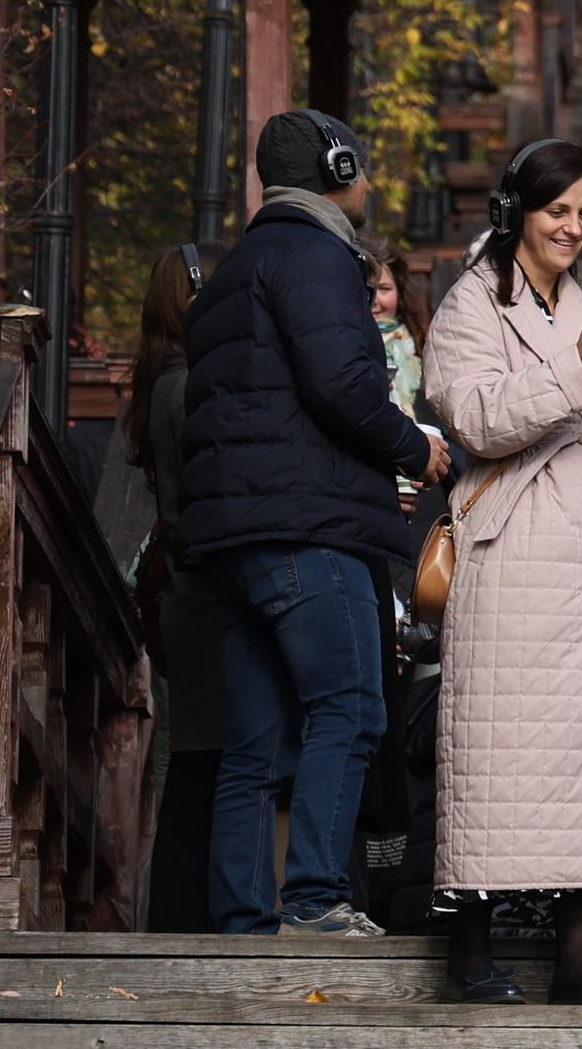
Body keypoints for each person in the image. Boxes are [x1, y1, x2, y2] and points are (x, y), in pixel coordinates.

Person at [177, 109, 454, 937]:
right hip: (312, 526)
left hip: (238, 535)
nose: (367, 184)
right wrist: (417, 449)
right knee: (353, 708)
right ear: (339, 169)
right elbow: (340, 384)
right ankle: (316, 901)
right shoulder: (319, 256)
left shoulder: (235, 269)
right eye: (361, 169)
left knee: (256, 742)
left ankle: (240, 916)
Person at [420, 139, 582, 1006]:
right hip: (517, 555)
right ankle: (468, 949)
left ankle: (578, 956)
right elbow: (477, 418)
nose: (572, 228)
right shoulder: (467, 306)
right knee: (499, 751)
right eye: (556, 211)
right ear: (515, 213)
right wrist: (579, 368)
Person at [123, 238, 231, 933]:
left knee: (197, 762)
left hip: (189, 601)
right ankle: (184, 922)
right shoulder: (189, 385)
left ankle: (180, 918)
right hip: (206, 599)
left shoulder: (161, 380)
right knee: (202, 766)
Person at [363, 235, 429, 421]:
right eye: (365, 289)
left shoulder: (422, 343)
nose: (374, 301)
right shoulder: (345, 345)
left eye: (384, 289)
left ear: (400, 293)